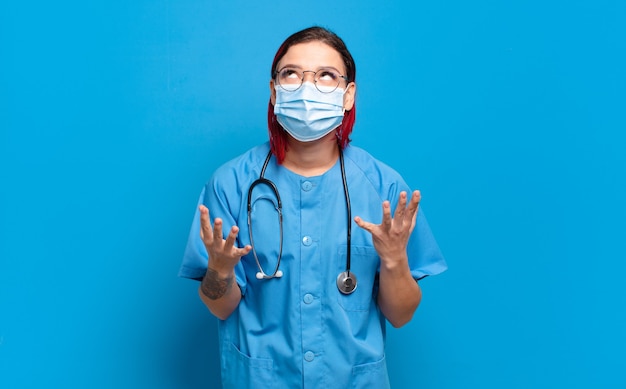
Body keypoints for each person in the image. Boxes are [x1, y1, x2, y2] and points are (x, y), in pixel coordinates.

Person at [179, 26, 447, 388]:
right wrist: (220, 271)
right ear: (274, 91)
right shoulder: (230, 184)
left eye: (326, 76)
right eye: (291, 74)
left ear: (348, 95)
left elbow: (400, 316)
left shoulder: (382, 188)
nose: (307, 88)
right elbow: (219, 304)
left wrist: (395, 259)